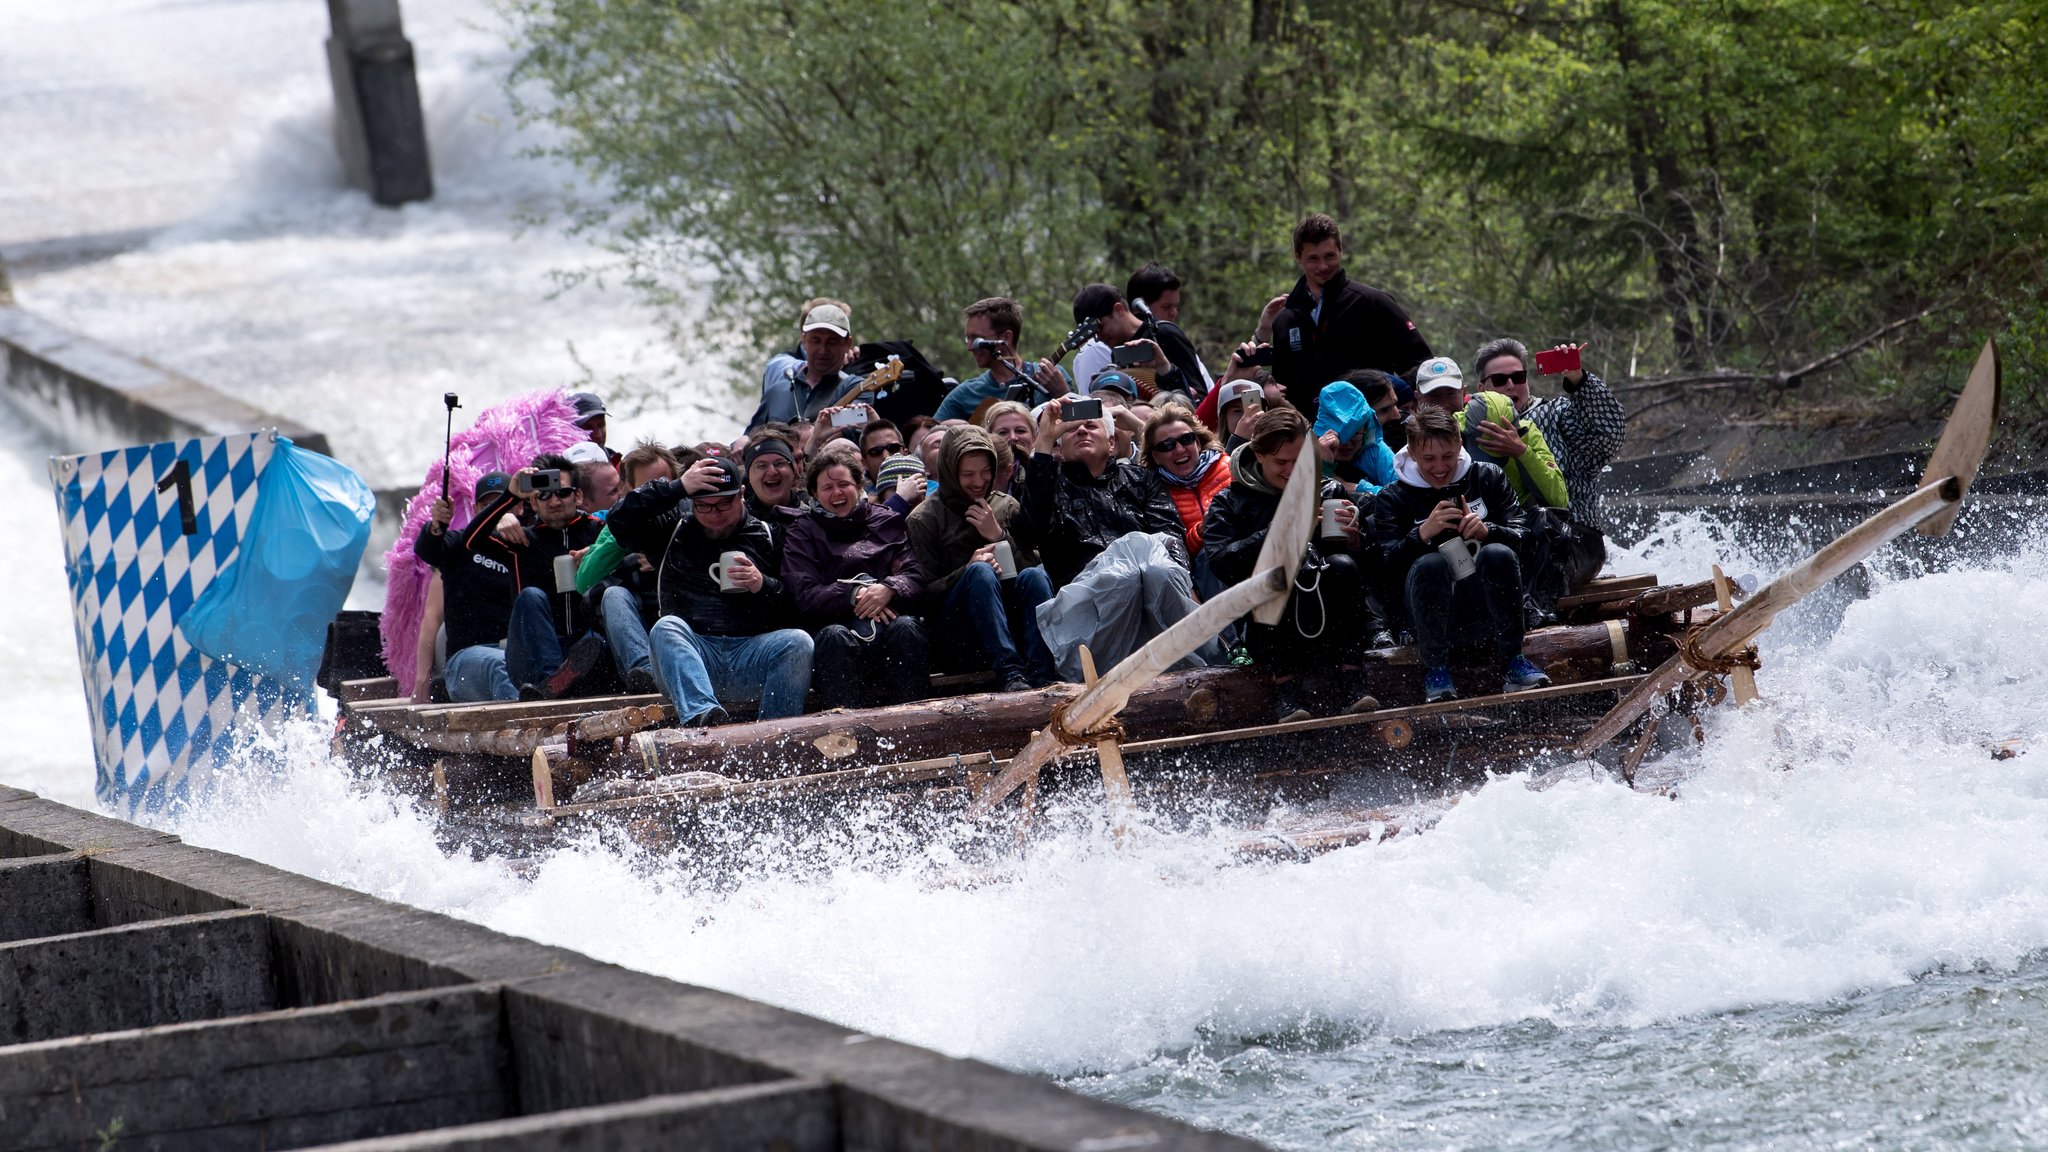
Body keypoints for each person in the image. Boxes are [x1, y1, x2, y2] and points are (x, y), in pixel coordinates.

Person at [1201, 406, 1382, 719]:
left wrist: (1356, 539)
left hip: (1332, 625)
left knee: (1342, 564)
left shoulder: (1330, 490)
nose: (1291, 470)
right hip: (1270, 636)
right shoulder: (1229, 500)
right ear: (1258, 455)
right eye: (1281, 462)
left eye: (1300, 461)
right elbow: (1221, 564)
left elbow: (1372, 562)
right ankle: (1287, 689)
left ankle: (1354, 679)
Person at [607, 456, 813, 724]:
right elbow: (619, 520)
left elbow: (798, 605)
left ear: (741, 494)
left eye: (723, 504)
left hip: (749, 657)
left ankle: (775, 734)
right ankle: (703, 719)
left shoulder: (770, 534)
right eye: (703, 506)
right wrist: (676, 487)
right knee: (666, 627)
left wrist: (763, 585)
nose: (714, 515)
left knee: (798, 642)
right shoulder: (674, 529)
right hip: (691, 656)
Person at [1021, 400, 1216, 677]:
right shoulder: (1047, 485)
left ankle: (1203, 662)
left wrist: (1184, 584)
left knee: (1156, 566)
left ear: (1112, 443)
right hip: (1088, 611)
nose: (1082, 431)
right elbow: (1031, 532)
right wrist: (1044, 443)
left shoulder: (1141, 480)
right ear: (1059, 447)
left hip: (1154, 595)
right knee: (1122, 576)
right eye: (1072, 429)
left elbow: (1170, 537)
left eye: (1091, 425)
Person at [1369, 408, 1550, 703]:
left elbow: (1527, 539)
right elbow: (1383, 567)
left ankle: (1513, 660)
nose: (1440, 467)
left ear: (1460, 447)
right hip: (1424, 613)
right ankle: (1436, 669)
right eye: (1429, 459)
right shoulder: (1393, 497)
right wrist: (1421, 535)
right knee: (1432, 563)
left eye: (1448, 456)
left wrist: (1489, 531)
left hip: (1485, 604)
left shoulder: (1488, 477)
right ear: (1412, 453)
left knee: (1497, 554)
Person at [417, 460, 606, 703]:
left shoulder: (525, 544)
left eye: (562, 493)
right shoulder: (461, 545)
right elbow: (433, 550)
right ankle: (535, 724)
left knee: (592, 644)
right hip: (471, 656)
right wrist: (438, 526)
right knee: (503, 661)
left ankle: (552, 686)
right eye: (487, 504)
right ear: (477, 509)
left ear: (522, 508)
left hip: (520, 649)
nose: (555, 500)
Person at [906, 426, 1055, 691]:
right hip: (959, 633)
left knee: (1035, 576)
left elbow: (1033, 567)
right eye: (968, 474)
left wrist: (998, 536)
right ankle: (1009, 674)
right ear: (951, 472)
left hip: (1012, 621)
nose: (978, 481)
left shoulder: (1005, 505)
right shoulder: (924, 518)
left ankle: (1042, 672)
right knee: (981, 573)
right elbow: (922, 595)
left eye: (986, 472)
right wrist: (967, 570)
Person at [781, 453, 930, 711]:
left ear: (859, 486)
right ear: (815, 494)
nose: (837, 492)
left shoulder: (885, 518)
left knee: (907, 629)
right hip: (838, 636)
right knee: (833, 637)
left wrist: (888, 588)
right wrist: (854, 594)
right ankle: (847, 737)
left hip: (890, 631)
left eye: (844, 484)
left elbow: (914, 575)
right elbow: (804, 593)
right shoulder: (802, 531)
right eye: (827, 487)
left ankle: (917, 723)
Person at [1268, 214, 1433, 421]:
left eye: (1329, 256)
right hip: (1308, 440)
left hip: (1371, 433)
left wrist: (1396, 409)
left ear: (1340, 251)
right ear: (1298, 257)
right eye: (1313, 258)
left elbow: (1421, 366)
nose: (1322, 266)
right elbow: (1281, 385)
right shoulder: (1286, 318)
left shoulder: (1373, 303)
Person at [1487, 339, 1627, 536]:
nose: (1510, 385)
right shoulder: (1470, 427)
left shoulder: (1555, 414)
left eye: (1518, 377)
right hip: (1502, 539)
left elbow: (1609, 432)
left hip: (1571, 536)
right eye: (1499, 380)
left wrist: (1578, 380)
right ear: (1482, 388)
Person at [576, 442, 680, 695]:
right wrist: (625, 536)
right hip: (638, 636)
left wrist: (661, 559)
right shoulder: (615, 523)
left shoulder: (693, 515)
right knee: (613, 595)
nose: (655, 494)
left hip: (683, 633)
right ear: (627, 490)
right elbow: (584, 582)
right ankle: (648, 674)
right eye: (645, 488)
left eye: (662, 485)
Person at [1067, 284, 1210, 402]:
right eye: (1092, 334)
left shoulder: (1164, 334)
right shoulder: (1118, 353)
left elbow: (1200, 395)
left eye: (1100, 327)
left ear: (1118, 309)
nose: (1099, 337)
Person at [934, 297, 1070, 420]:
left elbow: (1082, 427)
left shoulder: (1052, 376)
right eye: (968, 339)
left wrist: (1062, 392)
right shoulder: (965, 394)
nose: (970, 347)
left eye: (976, 339)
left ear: (1005, 338)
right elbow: (928, 439)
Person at [748, 299, 859, 431]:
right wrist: (743, 441)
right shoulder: (777, 390)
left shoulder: (858, 389)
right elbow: (751, 436)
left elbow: (855, 425)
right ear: (804, 340)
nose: (823, 350)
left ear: (847, 344)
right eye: (816, 340)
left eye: (832, 341)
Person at [1145, 403, 1231, 556]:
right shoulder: (1153, 491)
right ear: (1156, 456)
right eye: (1167, 445)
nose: (1179, 449)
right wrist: (1201, 531)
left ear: (1197, 442)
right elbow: (1170, 553)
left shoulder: (1230, 467)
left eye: (1186, 439)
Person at [1314, 376, 1397, 498]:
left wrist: (1358, 488)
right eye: (1338, 437)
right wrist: (1324, 467)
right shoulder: (1307, 449)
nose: (1347, 444)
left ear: (1366, 429)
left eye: (1354, 435)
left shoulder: (1375, 449)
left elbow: (1404, 493)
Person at [741, 429, 803, 521]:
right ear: (749, 476)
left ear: (793, 471)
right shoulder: (736, 521)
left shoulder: (815, 518)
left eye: (779, 463)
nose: (772, 472)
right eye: (761, 466)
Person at [980, 400, 1036, 494]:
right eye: (1003, 432)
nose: (1013, 437)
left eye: (1020, 431)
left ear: (1034, 437)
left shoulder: (1045, 472)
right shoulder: (980, 476)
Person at [568, 393, 622, 467]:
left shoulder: (621, 466)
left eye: (601, 425)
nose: (598, 435)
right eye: (587, 427)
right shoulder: (555, 471)